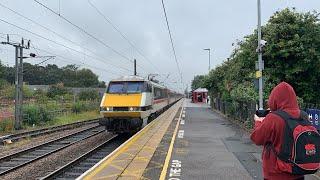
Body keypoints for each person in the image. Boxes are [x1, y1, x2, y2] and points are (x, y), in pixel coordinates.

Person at [250, 82, 305, 180]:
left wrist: (258, 122)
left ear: (274, 98)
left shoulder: (274, 118)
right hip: (298, 171)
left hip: (276, 173)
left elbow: (257, 138)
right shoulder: (303, 116)